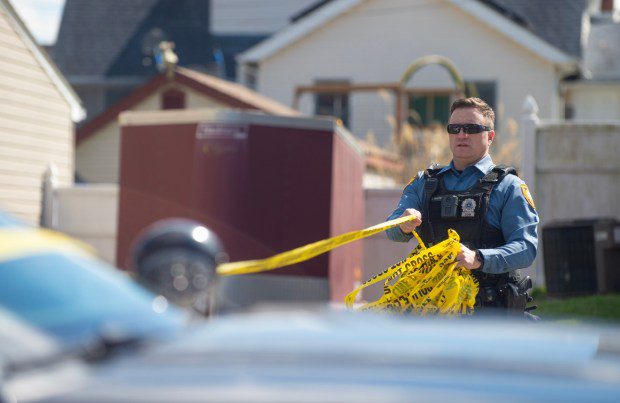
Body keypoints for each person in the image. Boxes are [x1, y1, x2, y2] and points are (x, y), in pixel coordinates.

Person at [386, 97, 539, 314]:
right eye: (454, 128)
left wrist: (479, 259)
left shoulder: (508, 186)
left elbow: (526, 248)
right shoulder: (424, 182)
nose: (462, 135)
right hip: (431, 312)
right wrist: (403, 224)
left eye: (471, 128)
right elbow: (391, 230)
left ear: (490, 136)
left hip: (488, 314)